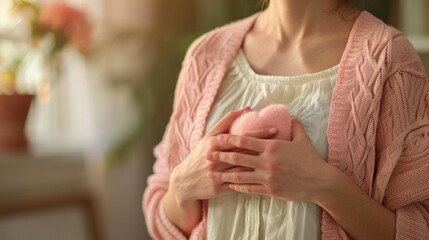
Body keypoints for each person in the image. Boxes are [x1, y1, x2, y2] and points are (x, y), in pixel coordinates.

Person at [143, 0, 429, 239]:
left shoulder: (389, 59)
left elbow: (420, 228)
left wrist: (322, 185)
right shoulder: (206, 54)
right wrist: (182, 187)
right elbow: (162, 214)